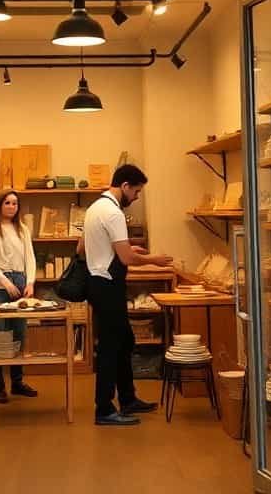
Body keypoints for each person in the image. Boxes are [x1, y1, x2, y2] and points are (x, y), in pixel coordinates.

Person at [79, 164, 174, 426]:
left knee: (124, 341)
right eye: (137, 191)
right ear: (125, 186)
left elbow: (82, 248)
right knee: (111, 347)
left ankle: (128, 398)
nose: (137, 197)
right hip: (108, 285)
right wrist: (156, 260)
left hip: (97, 282)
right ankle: (104, 409)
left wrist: (122, 247)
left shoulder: (95, 208)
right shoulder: (113, 213)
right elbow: (126, 258)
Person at [0, 189, 39, 403]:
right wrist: (5, 282)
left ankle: (17, 382)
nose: (12, 207)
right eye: (7, 203)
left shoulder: (22, 229)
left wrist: (30, 282)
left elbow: (30, 258)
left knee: (18, 335)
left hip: (21, 283)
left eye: (15, 203)